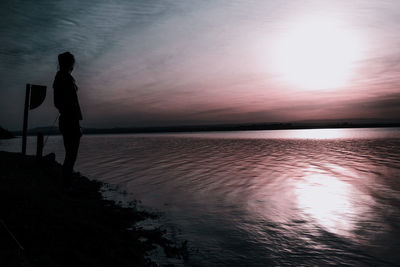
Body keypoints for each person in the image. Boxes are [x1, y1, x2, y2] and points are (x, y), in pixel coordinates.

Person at [53, 52, 83, 187]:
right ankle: (65, 184)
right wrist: (69, 112)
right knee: (71, 155)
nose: (73, 64)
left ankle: (66, 182)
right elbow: (58, 102)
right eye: (72, 61)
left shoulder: (65, 77)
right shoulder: (62, 77)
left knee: (71, 154)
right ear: (68, 63)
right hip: (69, 120)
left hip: (70, 119)